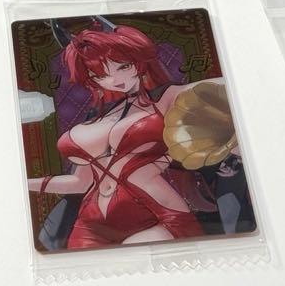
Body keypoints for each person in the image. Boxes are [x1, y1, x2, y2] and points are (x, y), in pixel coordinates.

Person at [28, 20, 247, 249]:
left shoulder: (165, 99)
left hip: (159, 213)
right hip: (91, 221)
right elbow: (80, 182)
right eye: (100, 75)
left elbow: (226, 88)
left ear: (138, 61)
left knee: (126, 260)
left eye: (123, 67)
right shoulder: (98, 116)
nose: (115, 80)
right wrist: (23, 185)